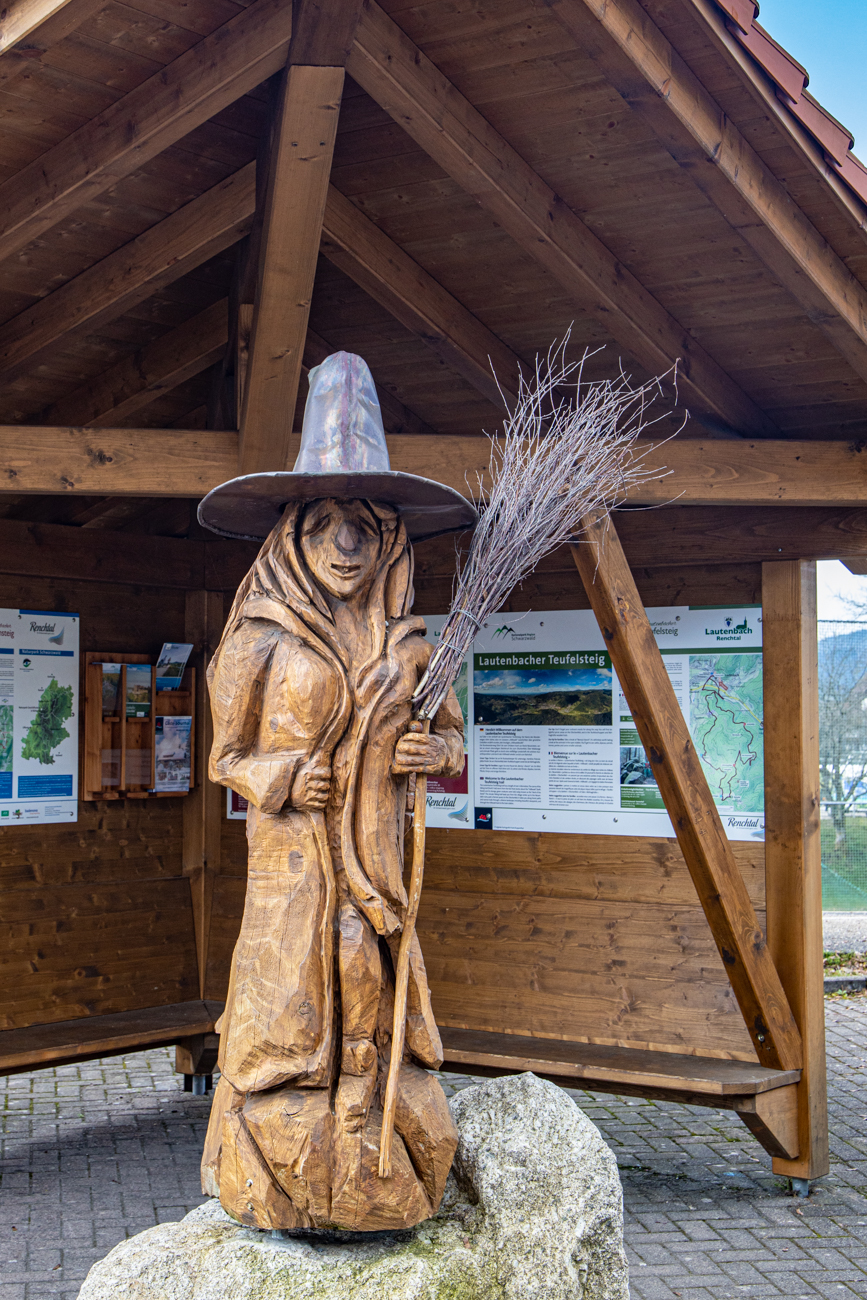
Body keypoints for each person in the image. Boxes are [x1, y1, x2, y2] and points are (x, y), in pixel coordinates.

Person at [196, 352, 477, 1232]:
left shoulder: (413, 645)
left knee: (368, 970)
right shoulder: (257, 639)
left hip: (377, 861)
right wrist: (281, 776)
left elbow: (455, 742)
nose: (347, 546)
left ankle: (369, 1111)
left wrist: (431, 749)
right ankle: (272, 1146)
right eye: (325, 524)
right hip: (293, 866)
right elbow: (224, 758)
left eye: (366, 525)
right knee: (290, 1000)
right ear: (292, 533)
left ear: (391, 535)